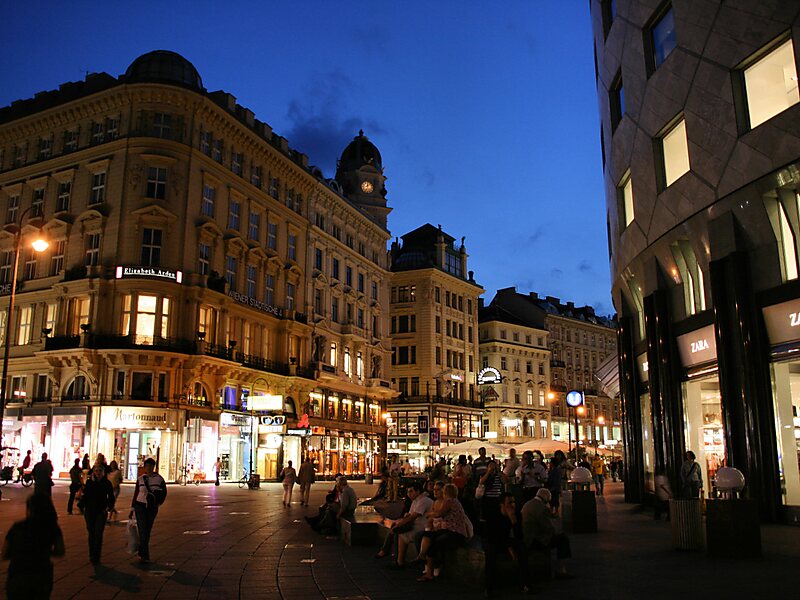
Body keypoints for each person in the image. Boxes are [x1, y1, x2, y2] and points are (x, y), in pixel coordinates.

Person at [2, 494, 65, 600]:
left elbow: (5, 553)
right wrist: (46, 551)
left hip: (18, 572)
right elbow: (60, 551)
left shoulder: (18, 527)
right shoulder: (52, 527)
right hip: (41, 573)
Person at [417, 483, 470, 581]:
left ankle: (429, 570)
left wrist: (430, 514)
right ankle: (422, 556)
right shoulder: (452, 501)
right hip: (448, 530)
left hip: (456, 533)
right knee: (427, 535)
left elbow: (438, 514)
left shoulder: (450, 501)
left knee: (435, 543)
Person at [521, 488, 573, 580]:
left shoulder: (528, 504)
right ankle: (562, 569)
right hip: (535, 539)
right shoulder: (541, 508)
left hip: (527, 536)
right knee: (563, 539)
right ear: (546, 498)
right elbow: (548, 528)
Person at [378, 481, 433, 567]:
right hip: (416, 525)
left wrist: (399, 524)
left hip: (422, 527)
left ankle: (398, 560)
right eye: (408, 492)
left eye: (411, 491)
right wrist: (399, 522)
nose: (408, 494)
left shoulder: (424, 501)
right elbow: (410, 515)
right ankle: (393, 556)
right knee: (396, 528)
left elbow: (413, 516)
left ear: (418, 491)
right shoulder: (416, 500)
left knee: (400, 533)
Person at [485, 493, 529, 596]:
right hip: (494, 540)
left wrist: (514, 521)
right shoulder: (493, 515)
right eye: (509, 502)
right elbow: (492, 536)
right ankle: (488, 587)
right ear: (502, 504)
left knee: (522, 548)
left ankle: (524, 584)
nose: (512, 505)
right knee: (490, 552)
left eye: (514, 502)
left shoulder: (516, 514)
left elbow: (519, 536)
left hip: (507, 540)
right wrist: (508, 547)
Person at [131, 457, 167, 564]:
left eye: (151, 466)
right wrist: (132, 508)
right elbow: (136, 493)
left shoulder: (159, 479)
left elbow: (164, 492)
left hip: (152, 507)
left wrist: (159, 503)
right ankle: (144, 554)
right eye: (147, 466)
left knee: (147, 529)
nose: (149, 468)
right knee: (143, 529)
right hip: (140, 505)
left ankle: (142, 552)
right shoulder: (141, 479)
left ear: (153, 467)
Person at [81, 463, 115, 565]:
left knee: (98, 533)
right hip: (89, 511)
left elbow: (111, 496)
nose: (98, 473)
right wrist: (82, 506)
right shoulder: (90, 483)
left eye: (100, 471)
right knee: (91, 533)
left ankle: (96, 556)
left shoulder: (107, 483)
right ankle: (92, 554)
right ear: (94, 472)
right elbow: (85, 495)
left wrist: (109, 507)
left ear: (103, 472)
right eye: (96, 471)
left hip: (101, 511)